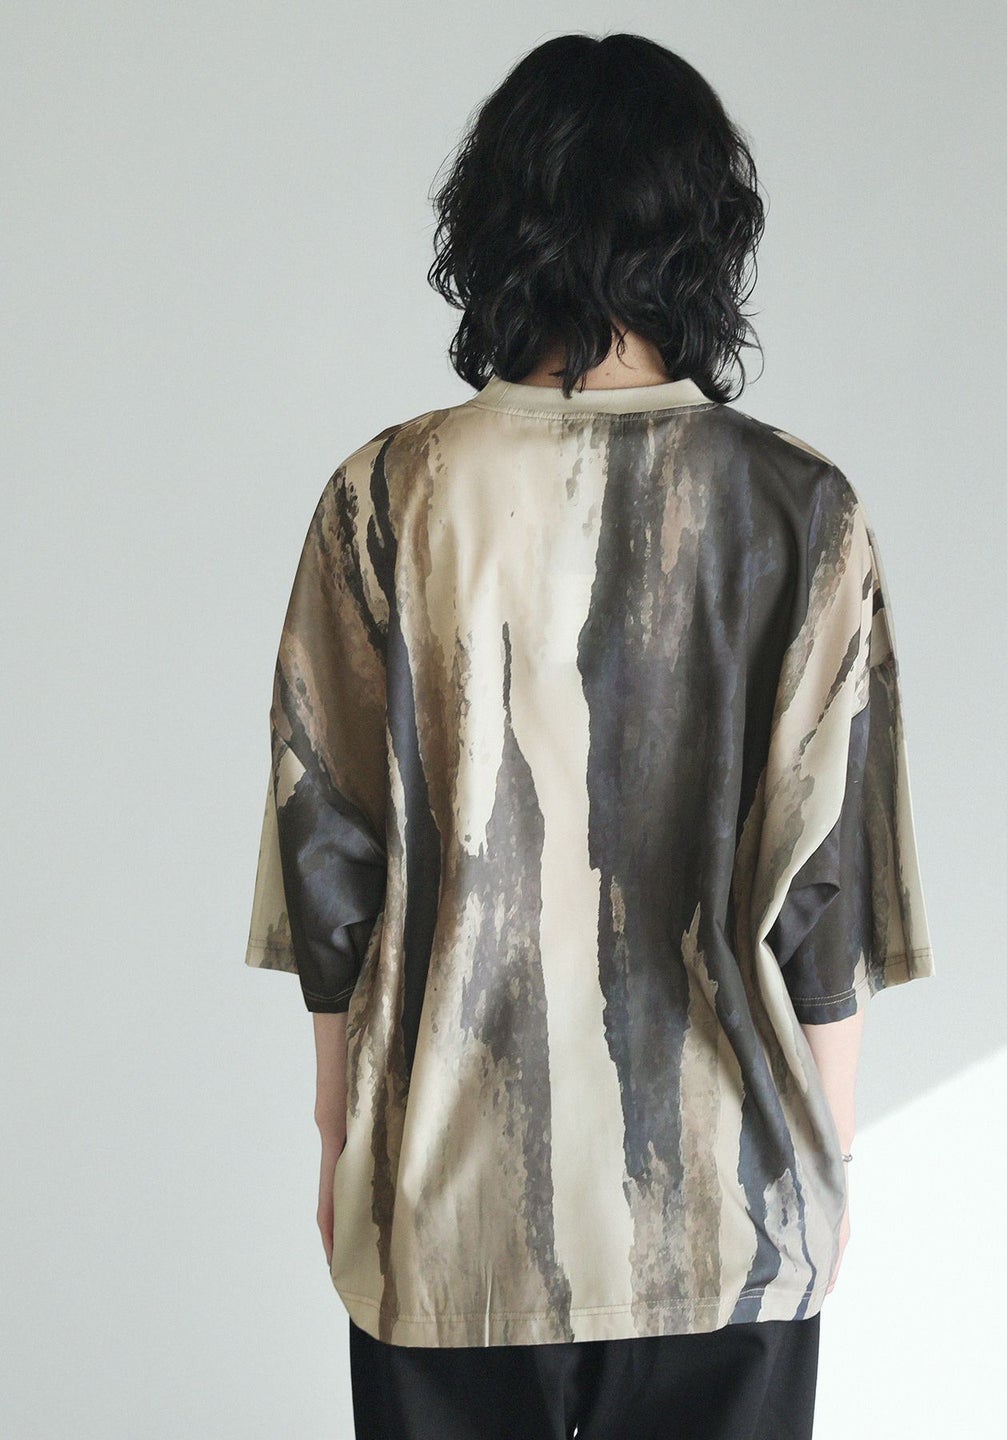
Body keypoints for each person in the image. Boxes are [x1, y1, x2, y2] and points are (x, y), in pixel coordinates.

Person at [243, 30, 935, 1440]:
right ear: (704, 233)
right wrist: (826, 1171)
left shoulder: (387, 496)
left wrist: (340, 1141)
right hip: (727, 1214)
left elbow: (332, 867)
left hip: (447, 1211)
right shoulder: (801, 510)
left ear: (496, 225)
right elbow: (828, 896)